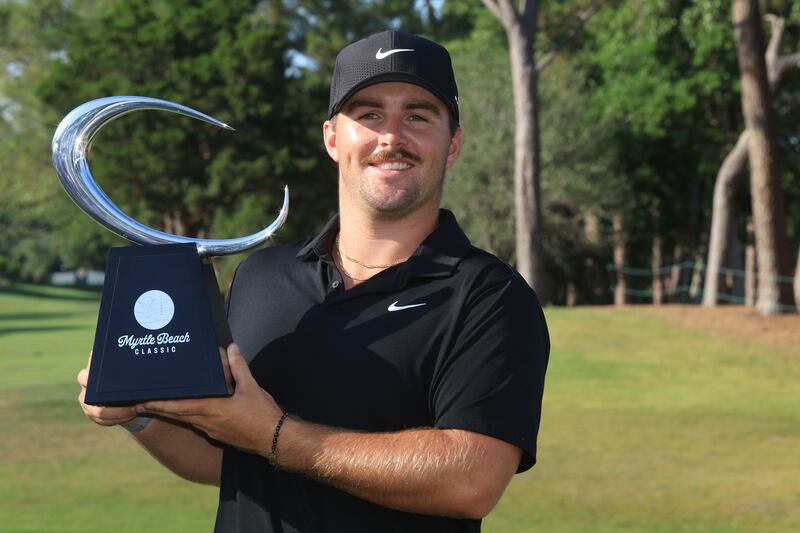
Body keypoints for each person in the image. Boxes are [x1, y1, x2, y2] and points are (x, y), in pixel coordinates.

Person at [77, 30, 549, 532]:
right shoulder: (260, 276)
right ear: (331, 138)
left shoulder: (491, 297)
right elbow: (231, 464)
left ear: (452, 143)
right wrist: (140, 415)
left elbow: (470, 480)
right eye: (368, 115)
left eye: (417, 115)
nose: (391, 137)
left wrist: (275, 435)